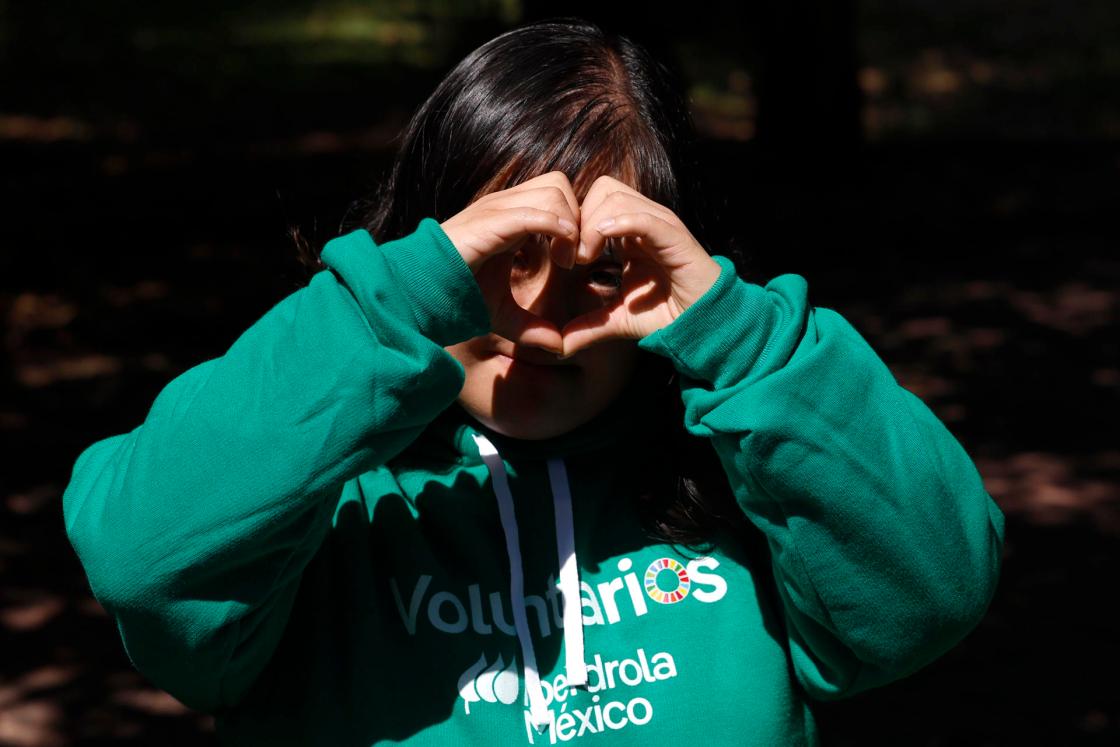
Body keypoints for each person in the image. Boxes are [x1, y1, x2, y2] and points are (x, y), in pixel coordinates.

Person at [62, 17, 1004, 746]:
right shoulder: (311, 487)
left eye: (602, 269)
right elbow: (145, 560)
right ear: (429, 247)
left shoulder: (745, 475)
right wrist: (394, 303)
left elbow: (931, 594)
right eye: (497, 254)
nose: (540, 319)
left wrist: (740, 337)